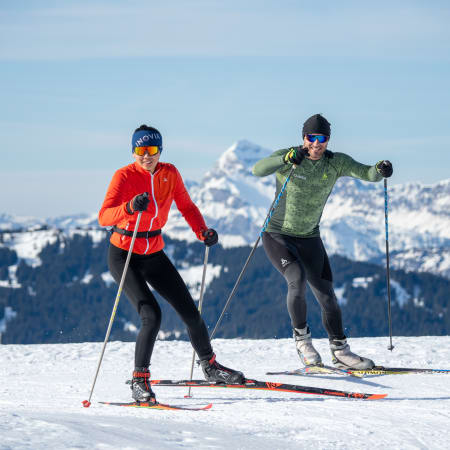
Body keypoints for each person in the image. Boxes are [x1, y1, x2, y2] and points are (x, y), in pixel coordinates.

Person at [99, 124, 245, 403]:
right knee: (151, 315)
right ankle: (139, 380)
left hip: (153, 251)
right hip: (124, 253)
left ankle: (210, 366)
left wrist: (202, 231)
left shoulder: (170, 173)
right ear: (133, 151)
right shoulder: (124, 176)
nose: (146, 156)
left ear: (159, 150)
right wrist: (129, 207)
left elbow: (187, 207)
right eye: (141, 150)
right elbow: (104, 216)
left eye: (152, 150)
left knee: (190, 311)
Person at [252, 114, 393, 370]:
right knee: (297, 279)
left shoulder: (335, 162)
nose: (316, 143)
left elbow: (367, 173)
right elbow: (257, 169)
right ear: (303, 138)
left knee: (327, 297)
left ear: (328, 140)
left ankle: (340, 351)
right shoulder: (290, 157)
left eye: (322, 138)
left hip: (310, 238)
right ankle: (303, 342)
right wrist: (285, 159)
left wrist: (380, 169)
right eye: (311, 138)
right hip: (277, 234)